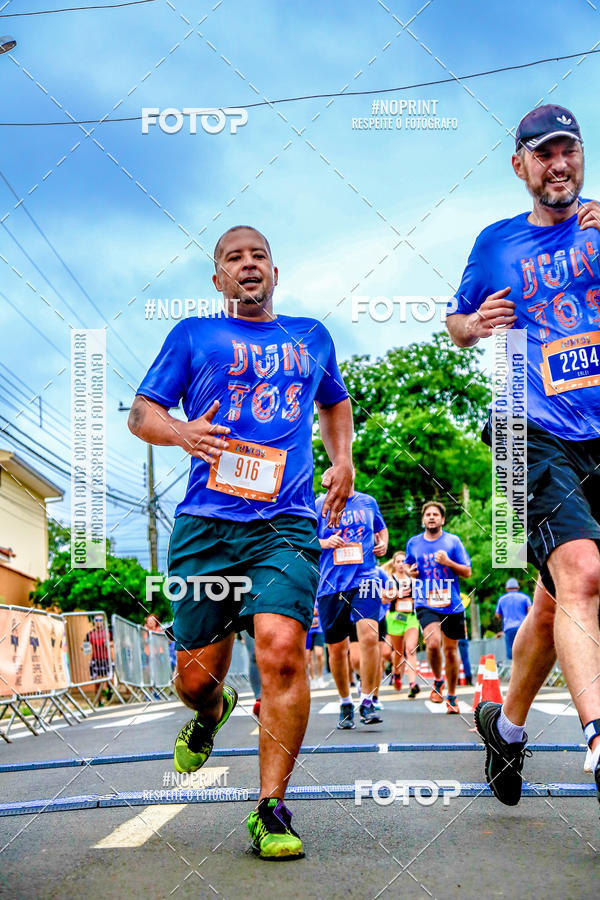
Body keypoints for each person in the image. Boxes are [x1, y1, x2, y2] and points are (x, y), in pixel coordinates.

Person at [129, 225, 353, 860]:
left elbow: (334, 403)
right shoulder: (193, 335)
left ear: (275, 273)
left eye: (259, 256)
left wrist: (344, 459)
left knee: (282, 652)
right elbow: (141, 412)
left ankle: (272, 808)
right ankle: (210, 710)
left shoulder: (312, 337)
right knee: (194, 677)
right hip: (206, 528)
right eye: (234, 258)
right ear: (218, 278)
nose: (248, 265)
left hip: (286, 524)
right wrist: (181, 434)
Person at [446, 104, 600, 805]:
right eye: (544, 154)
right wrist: (475, 324)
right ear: (521, 167)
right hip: (525, 428)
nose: (559, 164)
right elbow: (455, 321)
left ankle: (504, 731)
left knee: (554, 603)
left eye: (568, 150)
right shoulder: (495, 243)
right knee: (583, 574)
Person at [316, 483, 388, 728]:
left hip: (366, 577)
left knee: (369, 636)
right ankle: (345, 700)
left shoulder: (368, 502)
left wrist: (384, 543)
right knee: (337, 649)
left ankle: (367, 700)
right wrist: (325, 543)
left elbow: (381, 528)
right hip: (331, 584)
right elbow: (305, 540)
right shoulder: (318, 505)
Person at [405, 501, 472, 714]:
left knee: (451, 652)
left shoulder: (453, 541)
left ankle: (451, 696)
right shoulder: (413, 543)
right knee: (433, 644)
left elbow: (467, 571)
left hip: (451, 602)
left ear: (442, 519)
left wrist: (448, 562)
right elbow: (408, 564)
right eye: (428, 514)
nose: (431, 517)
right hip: (426, 600)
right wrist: (410, 572)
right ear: (423, 519)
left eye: (435, 514)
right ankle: (437, 680)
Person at [382, 551, 421, 698]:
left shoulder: (413, 579)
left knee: (410, 649)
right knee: (398, 653)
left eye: (403, 561)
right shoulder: (389, 580)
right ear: (394, 564)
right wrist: (395, 594)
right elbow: (383, 599)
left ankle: (412, 684)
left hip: (411, 618)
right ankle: (396, 674)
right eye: (397, 561)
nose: (400, 564)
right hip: (395, 618)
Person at [495, 579, 532, 660]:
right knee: (525, 650)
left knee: (512, 654)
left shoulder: (501, 599)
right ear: (517, 587)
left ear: (506, 588)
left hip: (509, 629)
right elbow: (531, 611)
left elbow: (498, 615)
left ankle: (514, 670)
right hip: (523, 628)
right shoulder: (525, 597)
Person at [305, 601, 327, 689]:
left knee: (319, 654)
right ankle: (313, 679)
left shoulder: (319, 595)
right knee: (308, 658)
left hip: (319, 630)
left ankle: (320, 677)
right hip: (307, 631)